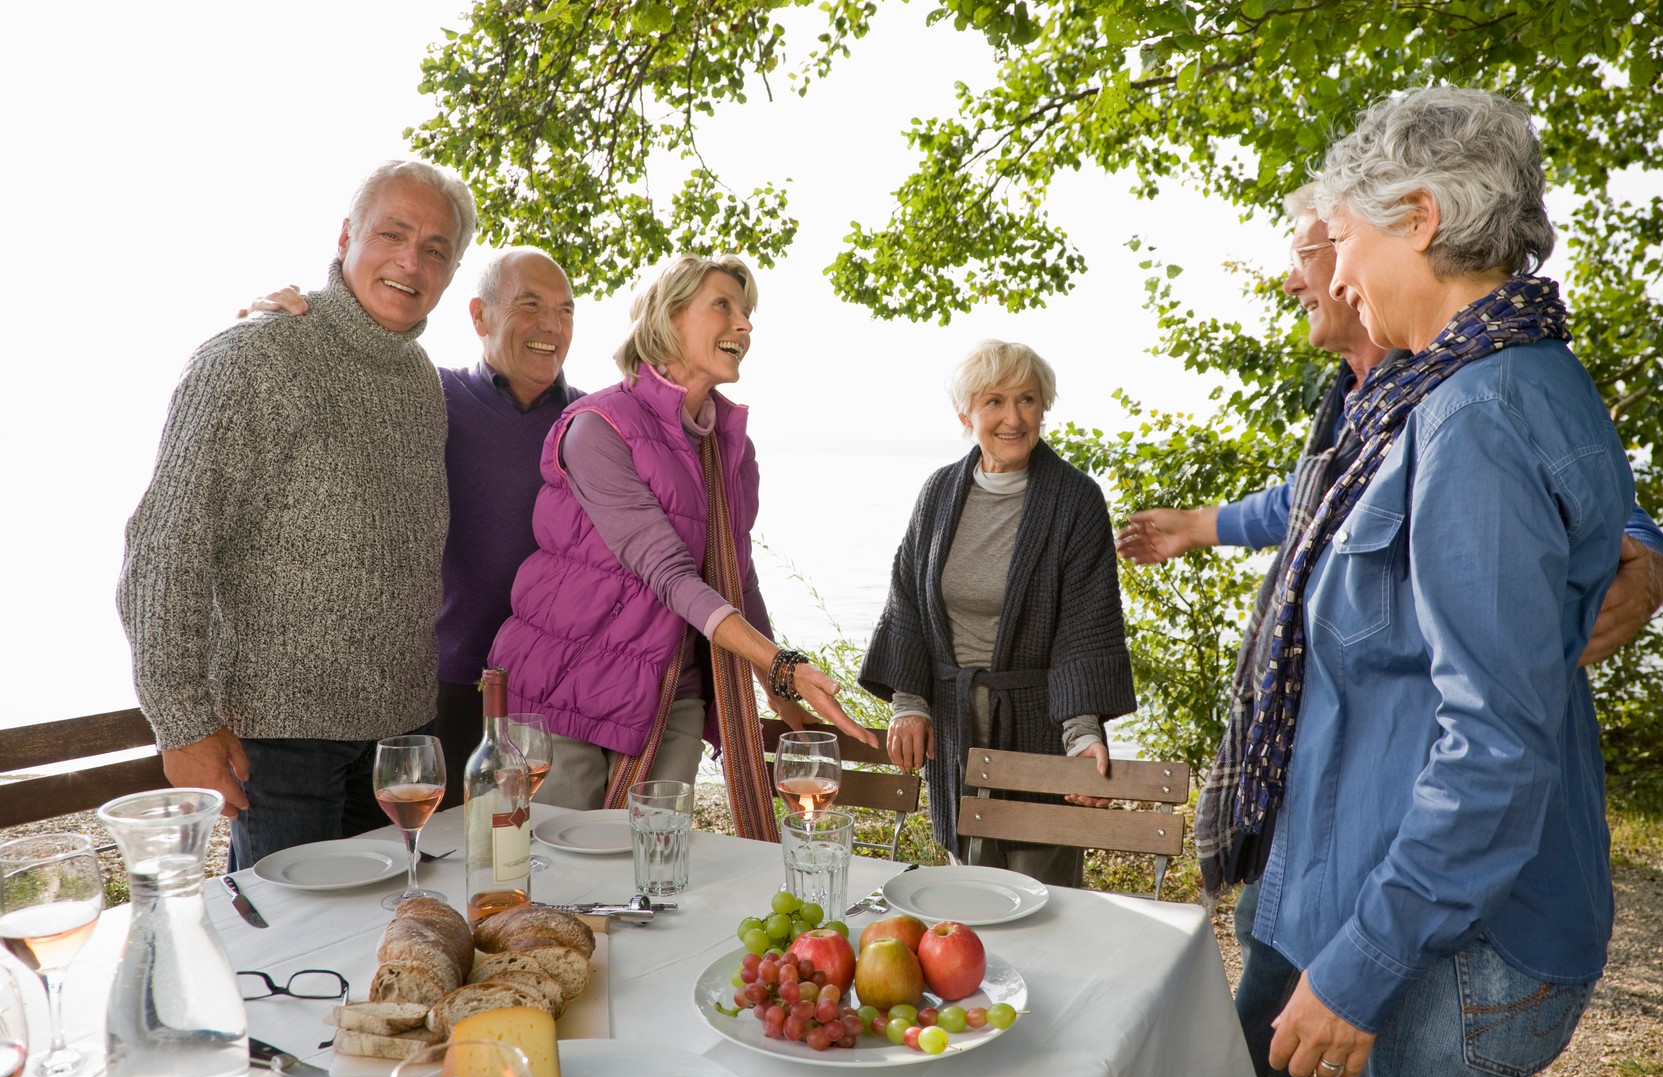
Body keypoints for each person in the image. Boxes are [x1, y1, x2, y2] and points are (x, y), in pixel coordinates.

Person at [1123, 187, 1663, 1077]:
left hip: (1446, 918)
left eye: (1327, 246)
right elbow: (1311, 501)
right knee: (1275, 955)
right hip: (1340, 837)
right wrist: (1200, 527)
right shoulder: (1378, 402)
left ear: (1412, 226)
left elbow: (1541, 504)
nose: (1312, 273)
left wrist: (1640, 545)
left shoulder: (1460, 392)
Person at [118, 159, 476, 870]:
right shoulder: (254, 357)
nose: (412, 260)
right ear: (346, 236)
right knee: (289, 967)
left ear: (452, 270)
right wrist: (182, 722)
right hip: (281, 747)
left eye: (436, 249)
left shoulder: (421, 382)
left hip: (403, 742)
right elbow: (167, 545)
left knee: (388, 955)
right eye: (393, 234)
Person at [488, 254, 873, 841]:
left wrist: (778, 686)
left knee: (654, 873)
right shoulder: (597, 427)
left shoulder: (729, 448)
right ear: (668, 318)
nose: (744, 325)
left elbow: (735, 578)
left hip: (673, 694)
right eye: (724, 306)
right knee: (553, 881)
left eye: (747, 313)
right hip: (564, 694)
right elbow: (667, 573)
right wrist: (780, 662)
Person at [246, 247, 587, 807]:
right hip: (438, 686)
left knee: (528, 862)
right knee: (438, 866)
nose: (551, 325)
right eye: (530, 305)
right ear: (479, 316)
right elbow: (348, 375)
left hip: (547, 691)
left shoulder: (592, 421)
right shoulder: (430, 394)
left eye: (566, 310)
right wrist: (291, 317)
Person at [859, 340, 1136, 885]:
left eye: (1028, 400)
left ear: (1044, 408)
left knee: (1045, 899)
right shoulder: (938, 492)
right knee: (967, 901)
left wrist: (1083, 734)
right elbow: (908, 601)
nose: (1013, 418)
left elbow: (1086, 625)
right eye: (995, 401)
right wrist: (909, 704)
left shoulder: (1075, 500)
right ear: (967, 414)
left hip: (1038, 732)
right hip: (956, 730)